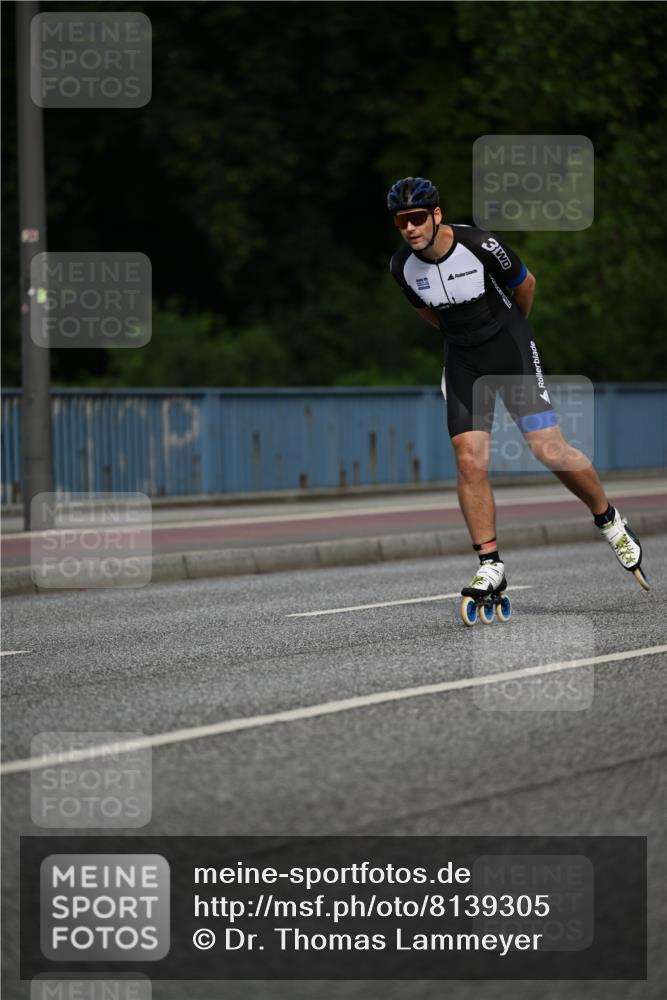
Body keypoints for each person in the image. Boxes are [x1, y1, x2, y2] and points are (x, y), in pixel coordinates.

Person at [387, 176, 650, 608]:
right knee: (468, 459)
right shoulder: (401, 266)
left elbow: (526, 286)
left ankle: (609, 520)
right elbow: (428, 313)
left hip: (509, 347)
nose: (410, 228)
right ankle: (490, 564)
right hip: (463, 359)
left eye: (417, 218)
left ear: (436, 215)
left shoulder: (480, 244)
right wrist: (463, 341)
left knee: (548, 449)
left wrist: (514, 335)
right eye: (401, 221)